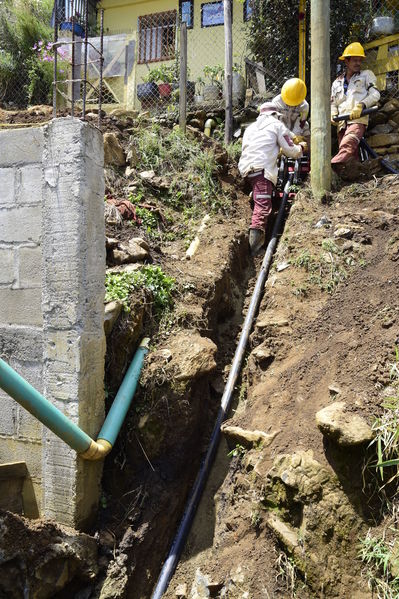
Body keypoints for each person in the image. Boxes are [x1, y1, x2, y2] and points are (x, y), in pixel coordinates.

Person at [238, 102, 306, 255]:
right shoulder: (276, 125)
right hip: (262, 170)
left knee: (259, 195)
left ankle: (254, 196)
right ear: (276, 115)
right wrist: (300, 148)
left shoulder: (250, 128)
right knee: (262, 207)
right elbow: (291, 150)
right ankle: (255, 249)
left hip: (247, 170)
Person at [331, 42, 380, 172]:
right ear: (346, 61)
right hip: (341, 122)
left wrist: (361, 105)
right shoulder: (337, 82)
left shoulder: (366, 75)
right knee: (350, 155)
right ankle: (353, 178)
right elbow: (333, 103)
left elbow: (375, 94)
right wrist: (333, 113)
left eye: (360, 60)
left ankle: (330, 166)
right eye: (354, 60)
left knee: (349, 143)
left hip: (358, 119)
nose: (358, 63)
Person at [271, 78, 310, 148]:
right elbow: (277, 124)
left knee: (307, 134)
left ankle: (310, 156)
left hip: (296, 128)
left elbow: (301, 123)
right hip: (280, 128)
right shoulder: (276, 102)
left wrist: (297, 136)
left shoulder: (304, 106)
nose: (291, 105)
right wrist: (292, 136)